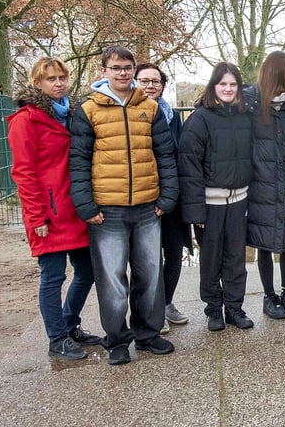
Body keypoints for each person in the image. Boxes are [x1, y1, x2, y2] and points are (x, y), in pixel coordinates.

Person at [69, 45, 179, 366]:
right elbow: (78, 161)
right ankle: (117, 339)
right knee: (113, 279)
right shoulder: (88, 110)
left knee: (149, 275)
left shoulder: (150, 107)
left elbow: (165, 155)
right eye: (115, 67)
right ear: (103, 71)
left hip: (148, 208)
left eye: (127, 67)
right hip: (108, 211)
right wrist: (86, 205)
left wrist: (167, 197)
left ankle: (147, 334)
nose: (122, 73)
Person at [7, 57, 102, 360]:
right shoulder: (27, 119)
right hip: (48, 212)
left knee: (87, 271)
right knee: (53, 276)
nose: (58, 83)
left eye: (62, 77)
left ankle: (70, 325)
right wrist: (37, 216)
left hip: (73, 208)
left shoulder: (71, 114)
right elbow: (23, 172)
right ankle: (56, 337)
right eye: (51, 79)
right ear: (37, 83)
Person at [177, 63, 254, 331]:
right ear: (214, 86)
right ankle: (213, 309)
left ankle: (235, 307)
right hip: (210, 204)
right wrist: (196, 212)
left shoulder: (246, 116)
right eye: (223, 84)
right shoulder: (199, 119)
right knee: (211, 260)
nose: (228, 89)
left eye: (233, 84)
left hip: (239, 201)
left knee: (235, 259)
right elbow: (189, 167)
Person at [244, 51, 285, 321]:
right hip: (262, 184)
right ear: (278, 71)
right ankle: (269, 296)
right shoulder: (252, 104)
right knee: (265, 243)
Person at [135, 63, 190, 332]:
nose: (150, 86)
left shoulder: (170, 116)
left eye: (155, 81)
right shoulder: (129, 114)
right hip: (143, 196)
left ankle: (166, 303)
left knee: (174, 252)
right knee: (148, 257)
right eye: (144, 81)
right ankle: (151, 309)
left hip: (171, 195)